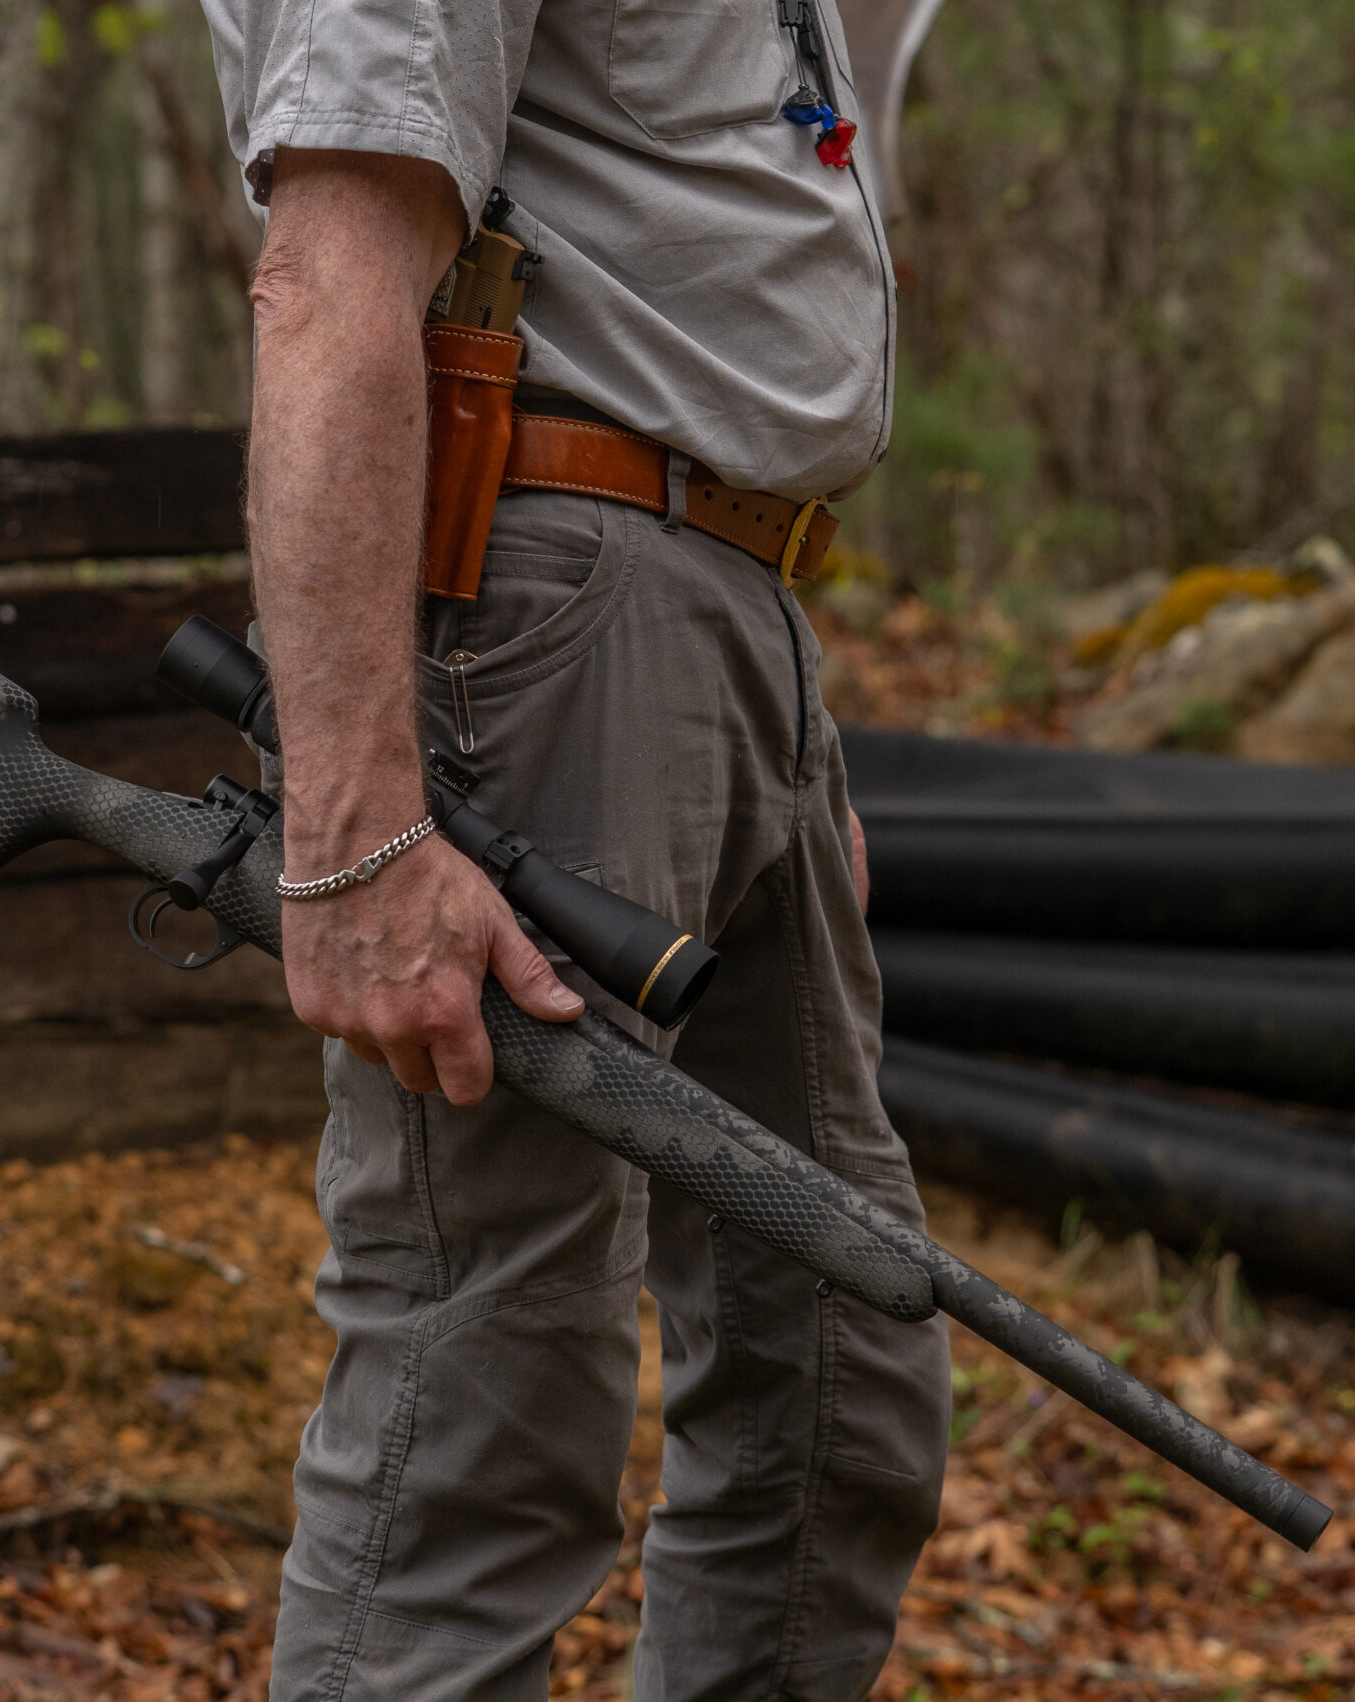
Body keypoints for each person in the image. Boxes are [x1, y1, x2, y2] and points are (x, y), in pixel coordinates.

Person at [196, 1, 950, 1694]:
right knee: (486, 1412)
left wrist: (760, 711)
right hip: (556, 584)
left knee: (836, 1366)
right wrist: (354, 833)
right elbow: (324, 280)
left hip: (717, 609)